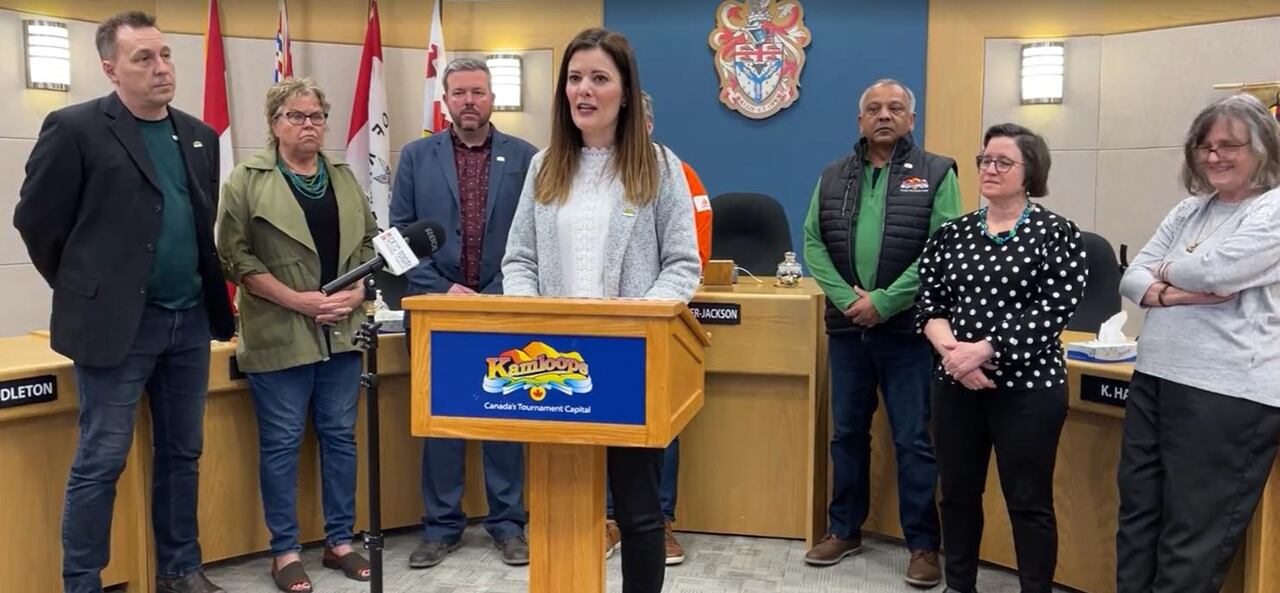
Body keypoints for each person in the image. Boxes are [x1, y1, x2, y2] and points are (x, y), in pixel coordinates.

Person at [12, 11, 234, 593]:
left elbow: (197, 220)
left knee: (183, 453)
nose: (161, 68)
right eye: (144, 58)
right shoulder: (75, 128)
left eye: (165, 55)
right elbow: (37, 221)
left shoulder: (200, 135)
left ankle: (180, 571)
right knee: (100, 461)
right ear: (111, 69)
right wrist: (87, 289)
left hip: (187, 321)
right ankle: (82, 581)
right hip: (116, 328)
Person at [502, 27, 700, 593]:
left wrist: (634, 323)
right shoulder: (544, 166)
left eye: (599, 78)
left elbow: (683, 265)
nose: (583, 90)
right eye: (574, 78)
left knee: (638, 512)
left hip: (628, 360)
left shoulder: (659, 166)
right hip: (553, 364)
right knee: (561, 507)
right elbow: (518, 259)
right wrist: (533, 314)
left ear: (625, 90)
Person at [215, 78, 377, 593]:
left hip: (341, 333)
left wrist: (355, 296)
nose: (308, 125)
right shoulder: (246, 179)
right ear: (274, 123)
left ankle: (340, 542)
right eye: (296, 116)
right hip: (280, 331)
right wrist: (298, 300)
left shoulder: (346, 179)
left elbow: (373, 245)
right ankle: (284, 551)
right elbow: (234, 256)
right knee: (282, 444)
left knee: (340, 440)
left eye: (316, 116)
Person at [1115, 94, 1280, 593]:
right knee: (1138, 514)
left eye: (1229, 145)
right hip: (1156, 376)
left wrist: (1163, 276)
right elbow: (1131, 278)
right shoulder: (1190, 209)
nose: (1214, 157)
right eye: (1204, 146)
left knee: (1193, 534)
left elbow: (1217, 270)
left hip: (1228, 391)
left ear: (1264, 148)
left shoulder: (1272, 209)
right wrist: (1180, 290)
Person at [801, 78, 959, 587]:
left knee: (913, 439)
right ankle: (844, 528)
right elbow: (812, 244)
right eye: (873, 108)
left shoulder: (937, 173)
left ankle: (922, 545)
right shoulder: (832, 176)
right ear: (860, 120)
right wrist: (850, 302)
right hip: (848, 332)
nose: (883, 115)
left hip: (910, 334)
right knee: (846, 435)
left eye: (895, 108)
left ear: (912, 119)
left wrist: (886, 301)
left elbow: (942, 251)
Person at [916, 123, 1087, 593]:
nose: (989, 169)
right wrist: (954, 355)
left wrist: (982, 351)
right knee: (957, 497)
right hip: (956, 387)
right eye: (985, 160)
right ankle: (960, 586)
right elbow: (929, 302)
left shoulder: (1059, 234)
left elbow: (1052, 311)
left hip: (1029, 391)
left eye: (1002, 162)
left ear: (1030, 171)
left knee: (1028, 501)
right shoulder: (953, 234)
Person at [390, 56, 537, 569]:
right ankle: (441, 526)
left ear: (492, 97)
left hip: (504, 309)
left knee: (505, 418)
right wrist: (442, 289)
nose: (469, 101)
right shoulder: (414, 156)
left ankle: (507, 525)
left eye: (478, 92)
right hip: (436, 311)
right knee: (441, 420)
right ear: (446, 100)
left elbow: (535, 236)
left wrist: (498, 291)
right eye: (459, 93)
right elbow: (398, 240)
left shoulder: (526, 157)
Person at [600, 90, 711, 566]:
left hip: (653, 326)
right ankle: (605, 520)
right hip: (589, 328)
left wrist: (650, 309)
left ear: (647, 126)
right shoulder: (583, 173)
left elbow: (695, 251)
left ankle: (660, 521)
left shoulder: (675, 173)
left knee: (657, 426)